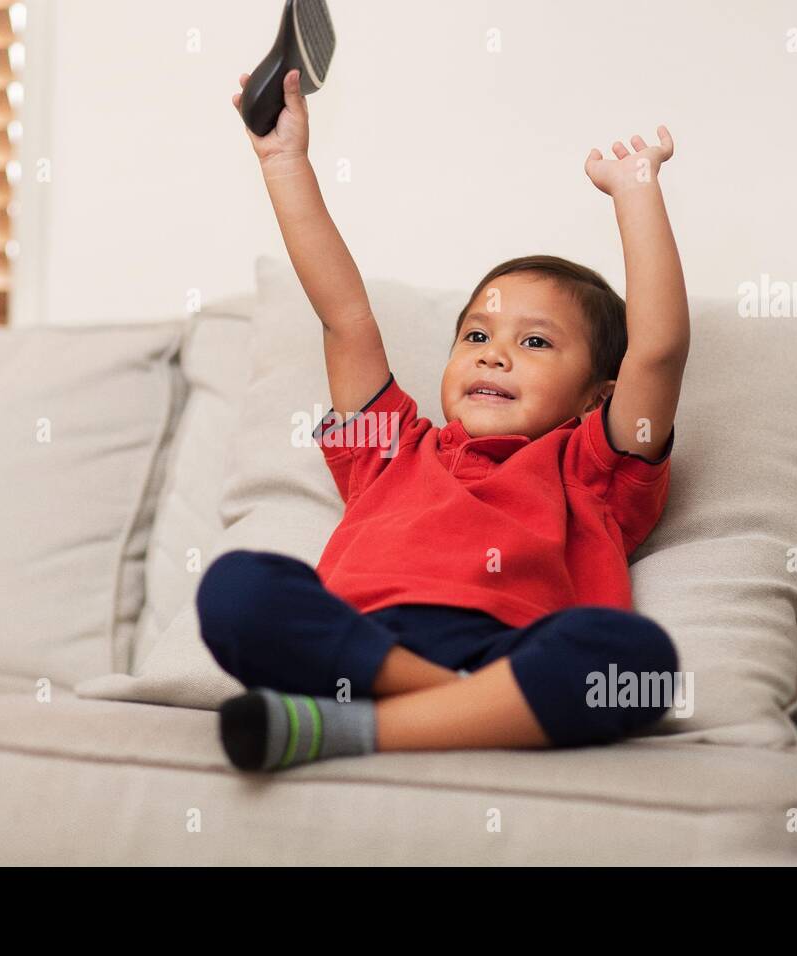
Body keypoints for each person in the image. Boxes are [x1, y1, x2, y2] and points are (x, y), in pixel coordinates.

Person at [202, 69, 689, 772]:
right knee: (239, 587)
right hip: (361, 648)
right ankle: (454, 709)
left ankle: (350, 731)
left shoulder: (593, 469)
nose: (494, 357)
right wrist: (283, 160)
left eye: (535, 342)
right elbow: (345, 319)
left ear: (594, 397)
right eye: (477, 336)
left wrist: (636, 191)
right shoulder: (389, 448)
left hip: (514, 653)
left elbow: (660, 351)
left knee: (635, 659)